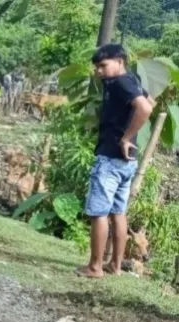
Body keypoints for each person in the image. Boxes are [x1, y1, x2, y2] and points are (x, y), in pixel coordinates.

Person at [77, 44, 154, 278]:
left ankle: (95, 267)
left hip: (111, 157)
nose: (99, 71)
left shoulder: (121, 82)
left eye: (103, 65)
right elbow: (150, 102)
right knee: (118, 212)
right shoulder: (131, 81)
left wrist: (126, 137)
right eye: (97, 67)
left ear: (120, 62)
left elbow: (145, 108)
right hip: (127, 162)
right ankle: (116, 265)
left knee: (99, 212)